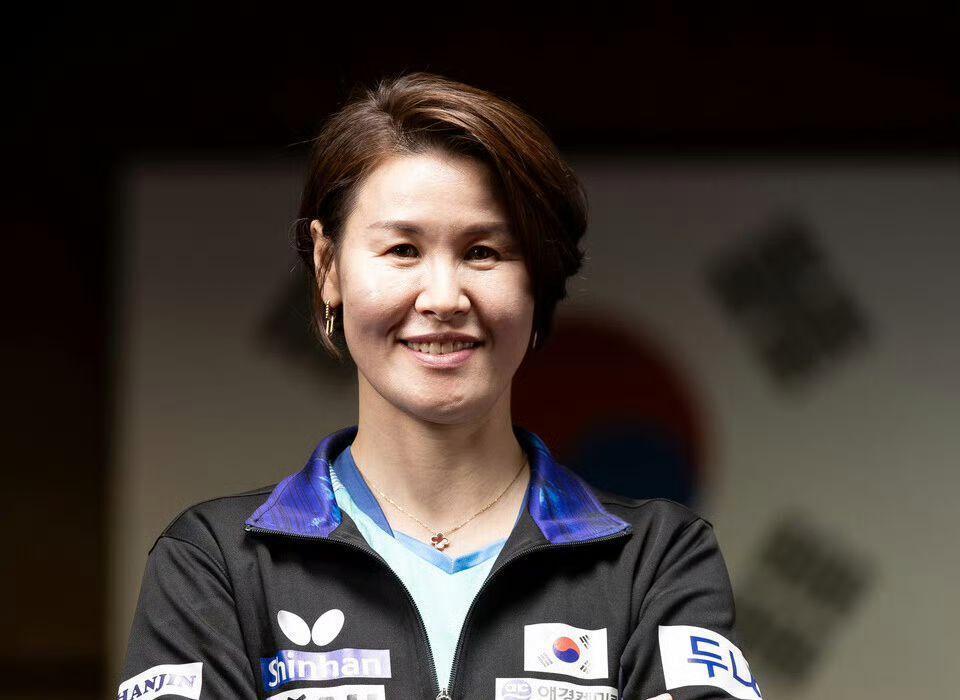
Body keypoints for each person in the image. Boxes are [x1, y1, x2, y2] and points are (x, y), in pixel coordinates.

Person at [117, 72, 762, 700]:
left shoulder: (654, 559)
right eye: (402, 250)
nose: (444, 298)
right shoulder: (217, 561)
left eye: (484, 252)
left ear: (538, 278)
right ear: (327, 264)